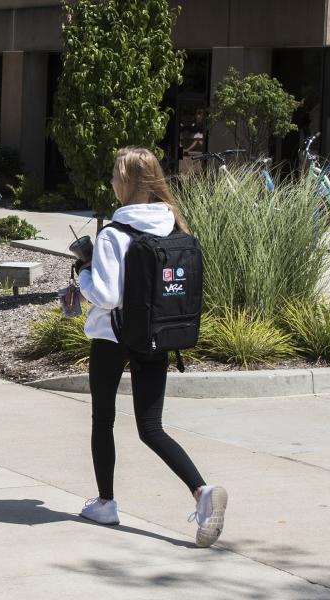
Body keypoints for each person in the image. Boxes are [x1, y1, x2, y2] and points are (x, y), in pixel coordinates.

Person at [76, 147, 227, 547]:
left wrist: (82, 274)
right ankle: (201, 491)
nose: (111, 181)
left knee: (102, 420)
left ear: (126, 183)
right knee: (151, 427)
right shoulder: (175, 226)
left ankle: (106, 503)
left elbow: (106, 296)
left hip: (112, 337)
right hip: (157, 334)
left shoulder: (113, 234)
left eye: (114, 174)